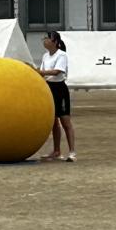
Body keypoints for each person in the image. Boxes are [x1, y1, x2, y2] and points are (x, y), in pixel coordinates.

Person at [37, 30, 76, 162]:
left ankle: (72, 152)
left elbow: (57, 71)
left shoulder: (61, 55)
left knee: (65, 121)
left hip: (60, 89)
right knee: (53, 122)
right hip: (49, 89)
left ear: (55, 42)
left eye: (47, 38)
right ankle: (57, 151)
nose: (45, 41)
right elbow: (42, 73)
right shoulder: (45, 56)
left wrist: (40, 72)